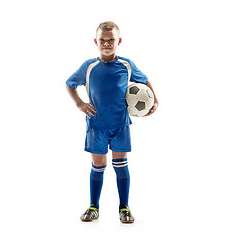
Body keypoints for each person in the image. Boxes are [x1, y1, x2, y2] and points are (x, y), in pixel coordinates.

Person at [65, 21, 158, 223]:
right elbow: (70, 83)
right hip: (96, 125)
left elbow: (144, 80)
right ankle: (93, 206)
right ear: (95, 42)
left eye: (111, 40)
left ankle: (124, 207)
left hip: (120, 124)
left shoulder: (126, 65)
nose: (106, 44)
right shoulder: (89, 67)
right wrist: (80, 104)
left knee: (120, 164)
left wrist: (155, 99)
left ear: (119, 41)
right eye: (102, 40)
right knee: (98, 165)